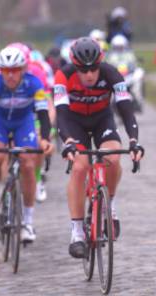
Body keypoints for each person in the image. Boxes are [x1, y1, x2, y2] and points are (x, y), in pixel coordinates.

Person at [53, 37, 144, 259]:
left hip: (102, 120)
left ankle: (108, 205)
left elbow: (126, 109)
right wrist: (68, 142)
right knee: (79, 167)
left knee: (112, 157)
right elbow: (61, 115)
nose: (90, 74)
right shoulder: (63, 76)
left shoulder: (112, 73)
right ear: (75, 66)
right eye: (83, 70)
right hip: (74, 123)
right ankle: (76, 232)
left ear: (100, 64)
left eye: (93, 68)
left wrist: (133, 140)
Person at [0, 46, 53, 242]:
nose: (10, 75)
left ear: (23, 69)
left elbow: (43, 115)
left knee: (28, 164)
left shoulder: (34, 84)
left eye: (14, 70)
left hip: (23, 123)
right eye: (5, 70)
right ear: (0, 70)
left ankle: (27, 223)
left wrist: (45, 138)